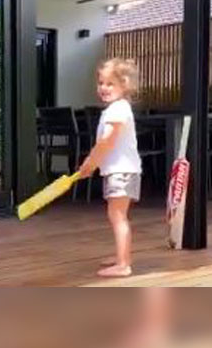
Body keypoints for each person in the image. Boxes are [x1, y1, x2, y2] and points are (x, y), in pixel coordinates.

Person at [79, 58, 142, 278]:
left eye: (110, 84)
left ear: (124, 85)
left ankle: (123, 265)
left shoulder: (118, 109)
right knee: (116, 214)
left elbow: (107, 142)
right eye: (101, 83)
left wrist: (91, 162)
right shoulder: (117, 109)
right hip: (120, 171)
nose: (103, 88)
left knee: (117, 215)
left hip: (121, 172)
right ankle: (121, 257)